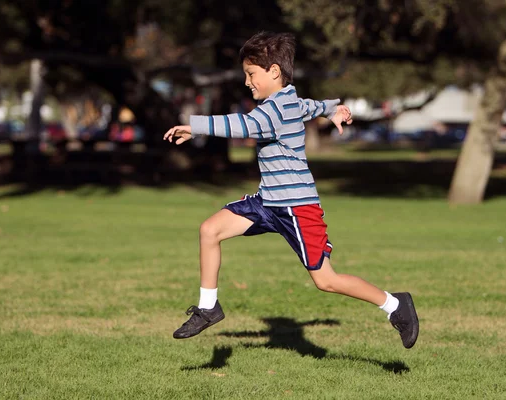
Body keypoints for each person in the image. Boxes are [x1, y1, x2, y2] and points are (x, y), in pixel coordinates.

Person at [163, 32, 419, 349]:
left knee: (326, 281)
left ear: (273, 72)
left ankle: (395, 305)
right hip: (268, 202)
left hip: (297, 208)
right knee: (210, 230)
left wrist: (196, 125)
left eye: (251, 74)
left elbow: (242, 126)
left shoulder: (273, 111)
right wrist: (332, 109)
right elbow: (309, 106)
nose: (247, 82)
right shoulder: (288, 101)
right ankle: (207, 307)